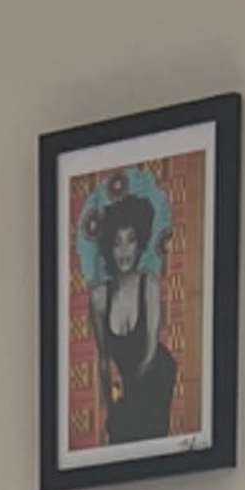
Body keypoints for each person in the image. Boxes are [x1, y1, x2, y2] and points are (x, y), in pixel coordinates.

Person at [78, 176, 175, 455]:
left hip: (155, 377)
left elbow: (149, 355)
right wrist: (111, 406)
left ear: (140, 243)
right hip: (129, 391)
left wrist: (127, 404)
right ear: (108, 246)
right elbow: (105, 360)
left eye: (131, 241)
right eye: (117, 242)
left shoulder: (150, 287)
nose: (124, 251)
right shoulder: (99, 298)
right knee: (118, 431)